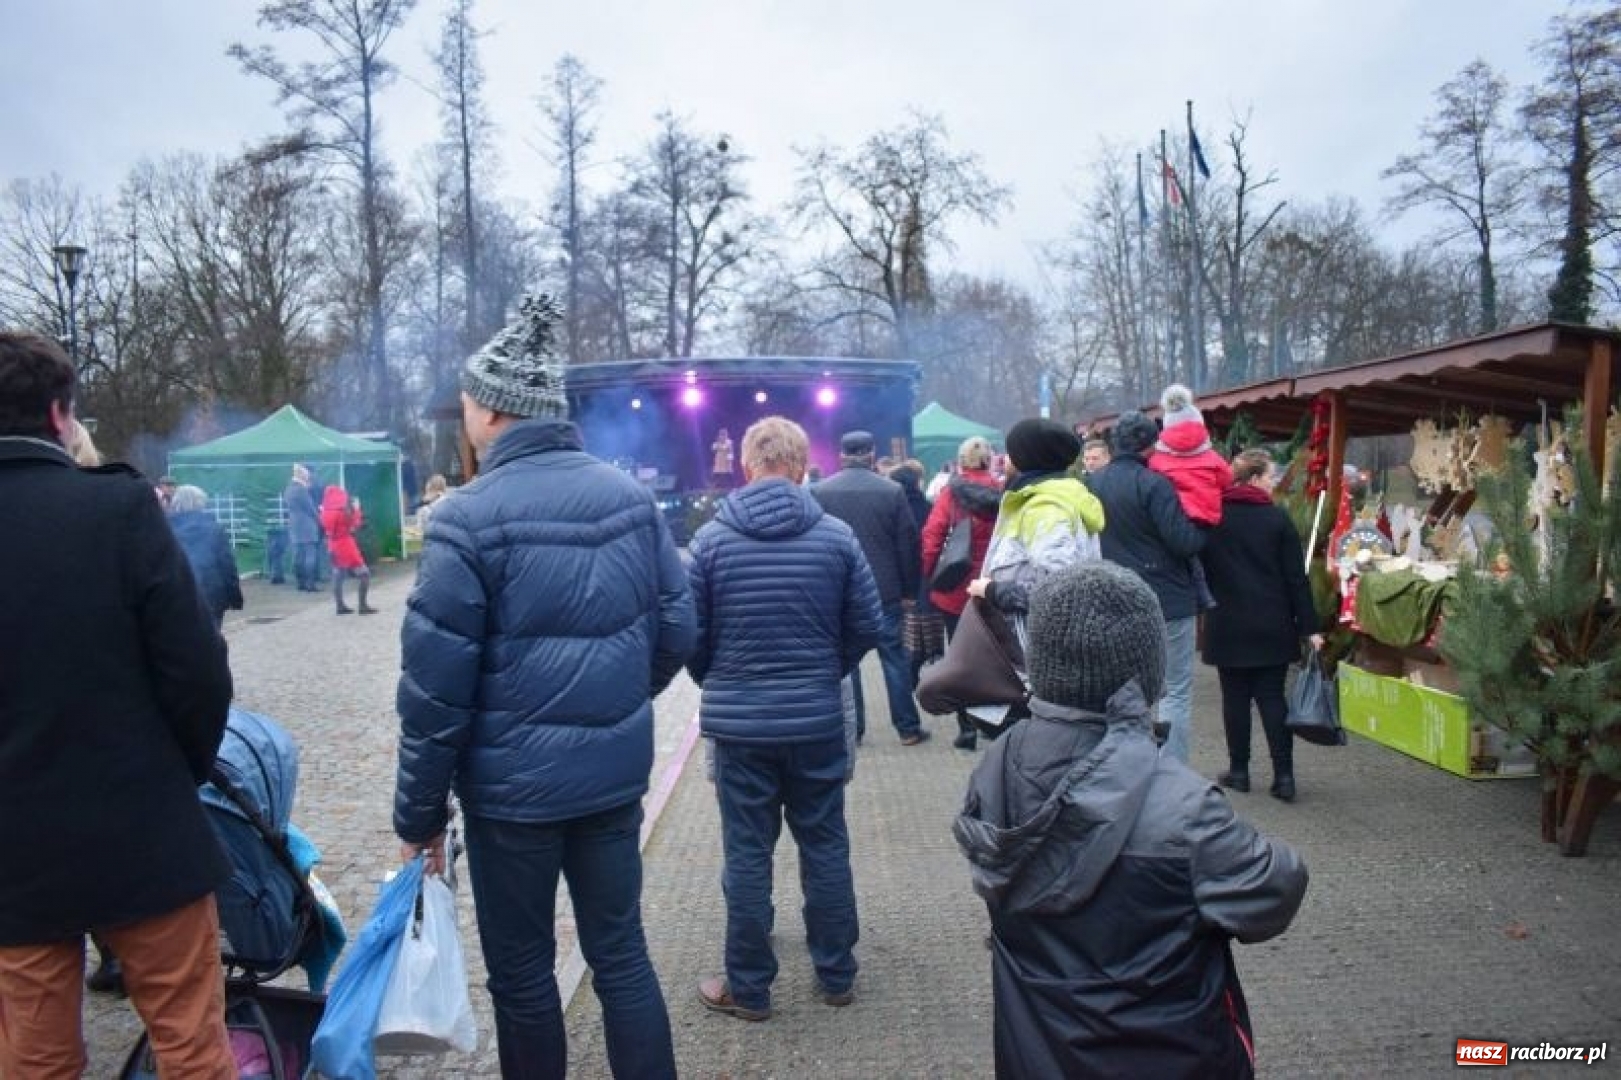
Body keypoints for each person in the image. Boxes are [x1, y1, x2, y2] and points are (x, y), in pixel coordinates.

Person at [394, 293, 696, 1080]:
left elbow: (435, 693)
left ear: (493, 410)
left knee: (524, 977)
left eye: (467, 402)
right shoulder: (630, 500)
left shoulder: (464, 518)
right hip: (609, 781)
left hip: (510, 798)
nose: (463, 416)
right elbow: (678, 628)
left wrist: (418, 817)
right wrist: (614, 700)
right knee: (621, 955)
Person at [954, 562, 1309, 1078]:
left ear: (1042, 662)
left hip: (1036, 1054)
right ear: (1148, 673)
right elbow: (1274, 893)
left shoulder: (997, 766)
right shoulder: (1186, 808)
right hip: (1172, 1057)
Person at [0, 331, 236, 1077]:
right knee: (192, 1047)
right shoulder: (119, 508)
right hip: (141, 825)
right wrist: (177, 772)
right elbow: (198, 672)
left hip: (14, 849)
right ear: (60, 414)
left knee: (35, 1059)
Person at [685, 416, 882, 1022]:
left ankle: (750, 989)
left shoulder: (710, 542)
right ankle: (837, 975)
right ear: (800, 468)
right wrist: (824, 671)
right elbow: (868, 625)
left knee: (747, 854)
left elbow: (689, 635)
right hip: (816, 722)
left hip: (740, 731)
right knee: (825, 844)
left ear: (746, 466)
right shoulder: (837, 537)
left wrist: (719, 679)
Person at [965, 418, 1104, 740]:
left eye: (1011, 452)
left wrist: (993, 590)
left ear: (1028, 457)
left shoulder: (1047, 509)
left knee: (1032, 751)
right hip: (1035, 662)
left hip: (1041, 666)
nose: (1005, 459)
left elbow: (1063, 592)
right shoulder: (1040, 499)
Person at [1202, 448, 1325, 802]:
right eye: (1270, 476)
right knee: (1272, 698)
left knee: (1234, 699)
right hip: (1273, 622)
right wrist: (1309, 627)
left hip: (1226, 623)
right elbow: (1296, 579)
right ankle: (1284, 776)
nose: (1274, 483)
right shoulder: (1277, 519)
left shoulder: (1214, 516)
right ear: (1254, 479)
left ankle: (1239, 771)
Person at [1087, 410, 1206, 763]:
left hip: (1111, 598)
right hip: (1166, 599)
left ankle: (1119, 765)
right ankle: (1170, 771)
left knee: (1120, 690)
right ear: (1151, 445)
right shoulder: (1155, 484)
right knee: (1174, 691)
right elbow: (1184, 542)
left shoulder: (1092, 484)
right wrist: (1204, 528)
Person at [812, 430, 929, 745]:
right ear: (872, 454)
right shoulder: (892, 491)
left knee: (847, 663)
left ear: (841, 455)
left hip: (840, 590)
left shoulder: (821, 492)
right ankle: (907, 728)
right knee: (894, 659)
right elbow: (908, 545)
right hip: (884, 590)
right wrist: (909, 591)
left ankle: (853, 730)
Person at [921, 435, 1004, 749]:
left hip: (956, 587)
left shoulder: (950, 493)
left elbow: (933, 536)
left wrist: (929, 573)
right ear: (989, 459)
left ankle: (966, 727)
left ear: (961, 460)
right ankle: (992, 722)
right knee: (994, 656)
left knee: (959, 656)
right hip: (992, 585)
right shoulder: (1002, 492)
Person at [1149, 384, 1233, 612]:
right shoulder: (1212, 456)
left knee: (1186, 557)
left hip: (1175, 516)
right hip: (1206, 517)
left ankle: (1201, 595)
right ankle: (1208, 597)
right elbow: (1227, 479)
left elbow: (1151, 484)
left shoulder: (1156, 460)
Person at [168, 484, 245, 628]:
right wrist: (235, 597)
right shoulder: (214, 529)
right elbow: (227, 565)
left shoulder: (166, 529)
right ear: (201, 503)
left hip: (177, 595)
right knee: (212, 636)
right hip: (211, 594)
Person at [319, 484, 376, 615]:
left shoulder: (324, 512)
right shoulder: (342, 511)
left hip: (332, 545)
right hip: (345, 544)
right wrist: (357, 509)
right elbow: (355, 525)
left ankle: (340, 606)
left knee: (338, 575)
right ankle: (362, 606)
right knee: (364, 574)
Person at [283, 463, 323, 592]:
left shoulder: (288, 489)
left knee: (297, 556)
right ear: (302, 476)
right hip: (307, 525)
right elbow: (310, 508)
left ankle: (300, 583)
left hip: (294, 525)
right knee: (310, 555)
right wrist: (319, 518)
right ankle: (310, 584)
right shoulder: (301, 490)